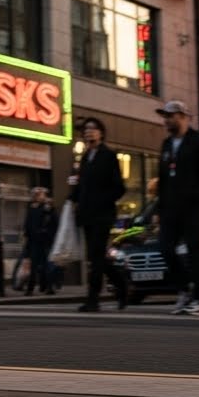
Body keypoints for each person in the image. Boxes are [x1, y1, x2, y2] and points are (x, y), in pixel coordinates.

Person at [155, 101, 199, 315]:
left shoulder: (198, 142)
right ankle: (183, 288)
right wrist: (159, 209)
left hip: (192, 207)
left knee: (194, 250)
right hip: (170, 207)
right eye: (165, 117)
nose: (167, 120)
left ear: (182, 116)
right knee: (165, 248)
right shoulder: (167, 145)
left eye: (170, 116)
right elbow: (162, 178)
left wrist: (197, 195)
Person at [69, 117, 129, 312]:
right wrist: (73, 200)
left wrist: (102, 200)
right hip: (87, 214)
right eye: (86, 129)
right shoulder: (85, 157)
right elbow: (81, 186)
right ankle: (121, 287)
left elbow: (119, 188)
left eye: (93, 129)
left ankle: (93, 299)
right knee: (96, 257)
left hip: (102, 214)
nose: (89, 132)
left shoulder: (108, 155)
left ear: (101, 133)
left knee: (96, 256)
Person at [22, 187, 57, 296]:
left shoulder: (48, 208)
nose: (38, 197)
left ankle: (48, 286)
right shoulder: (32, 208)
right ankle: (33, 288)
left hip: (44, 241)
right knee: (36, 265)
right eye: (36, 195)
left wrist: (47, 235)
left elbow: (54, 223)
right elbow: (27, 226)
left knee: (46, 265)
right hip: (35, 241)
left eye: (40, 194)